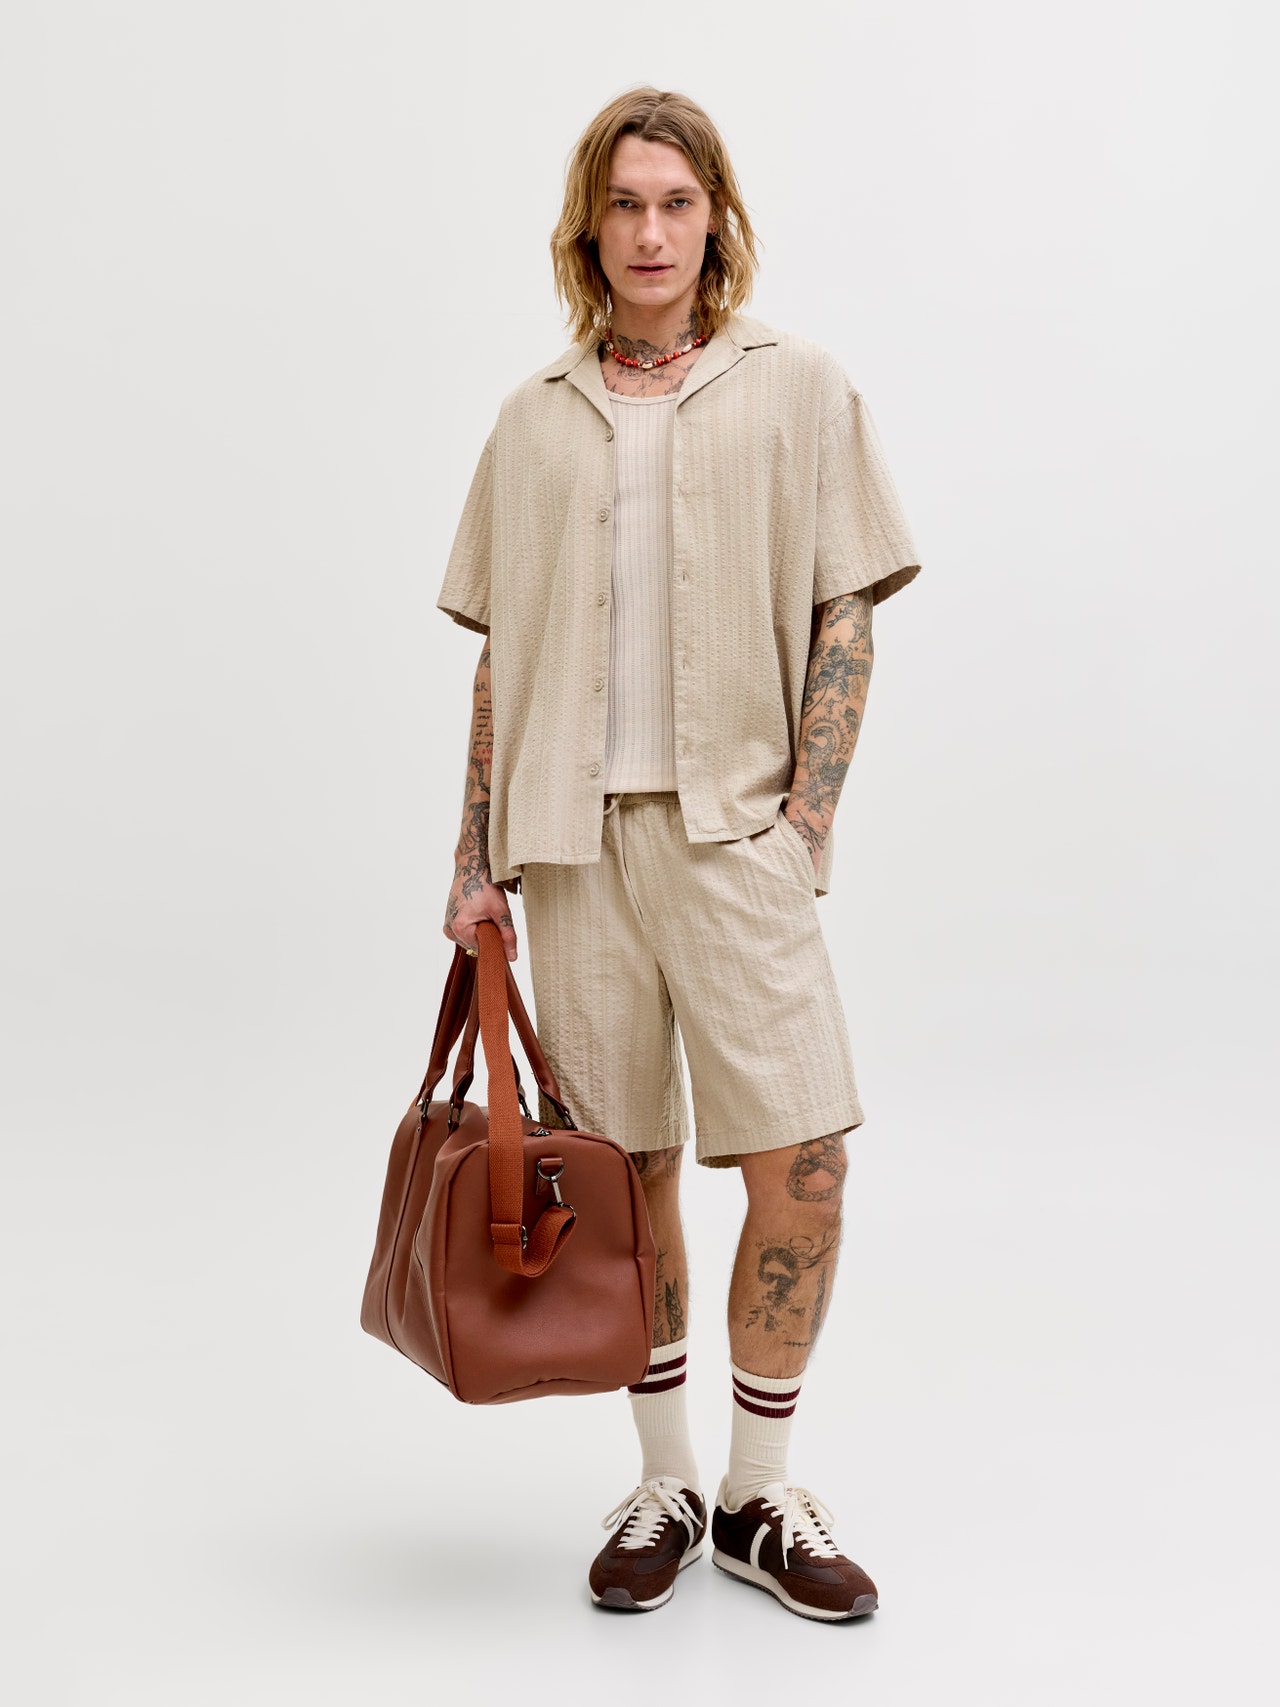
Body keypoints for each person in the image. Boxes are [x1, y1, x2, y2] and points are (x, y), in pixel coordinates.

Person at [436, 87, 922, 1622]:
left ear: (716, 221)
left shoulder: (800, 387)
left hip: (736, 838)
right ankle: (664, 1481)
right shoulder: (533, 417)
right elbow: (504, 655)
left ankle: (760, 1492)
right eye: (624, 204)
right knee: (625, 1176)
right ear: (589, 228)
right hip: (569, 852)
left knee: (807, 1165)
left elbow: (847, 608)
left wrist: (807, 823)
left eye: (677, 203)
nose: (650, 232)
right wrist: (472, 862)